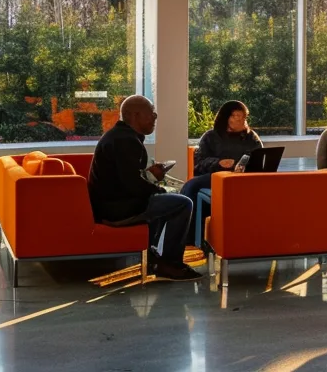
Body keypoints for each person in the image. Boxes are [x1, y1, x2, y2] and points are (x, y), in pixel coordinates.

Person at [87, 96, 201, 281]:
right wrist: (157, 188)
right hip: (117, 210)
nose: (155, 117)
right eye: (151, 113)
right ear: (135, 115)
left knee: (163, 200)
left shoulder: (120, 136)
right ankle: (170, 264)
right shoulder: (126, 141)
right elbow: (132, 185)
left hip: (111, 205)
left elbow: (126, 178)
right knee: (182, 203)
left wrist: (149, 177)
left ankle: (153, 255)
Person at [180, 100, 264, 201]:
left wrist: (243, 166)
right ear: (225, 118)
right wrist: (218, 162)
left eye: (243, 117)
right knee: (191, 185)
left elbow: (259, 157)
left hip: (245, 177)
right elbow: (199, 163)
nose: (240, 120)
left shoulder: (251, 137)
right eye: (235, 116)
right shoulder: (210, 136)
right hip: (216, 176)